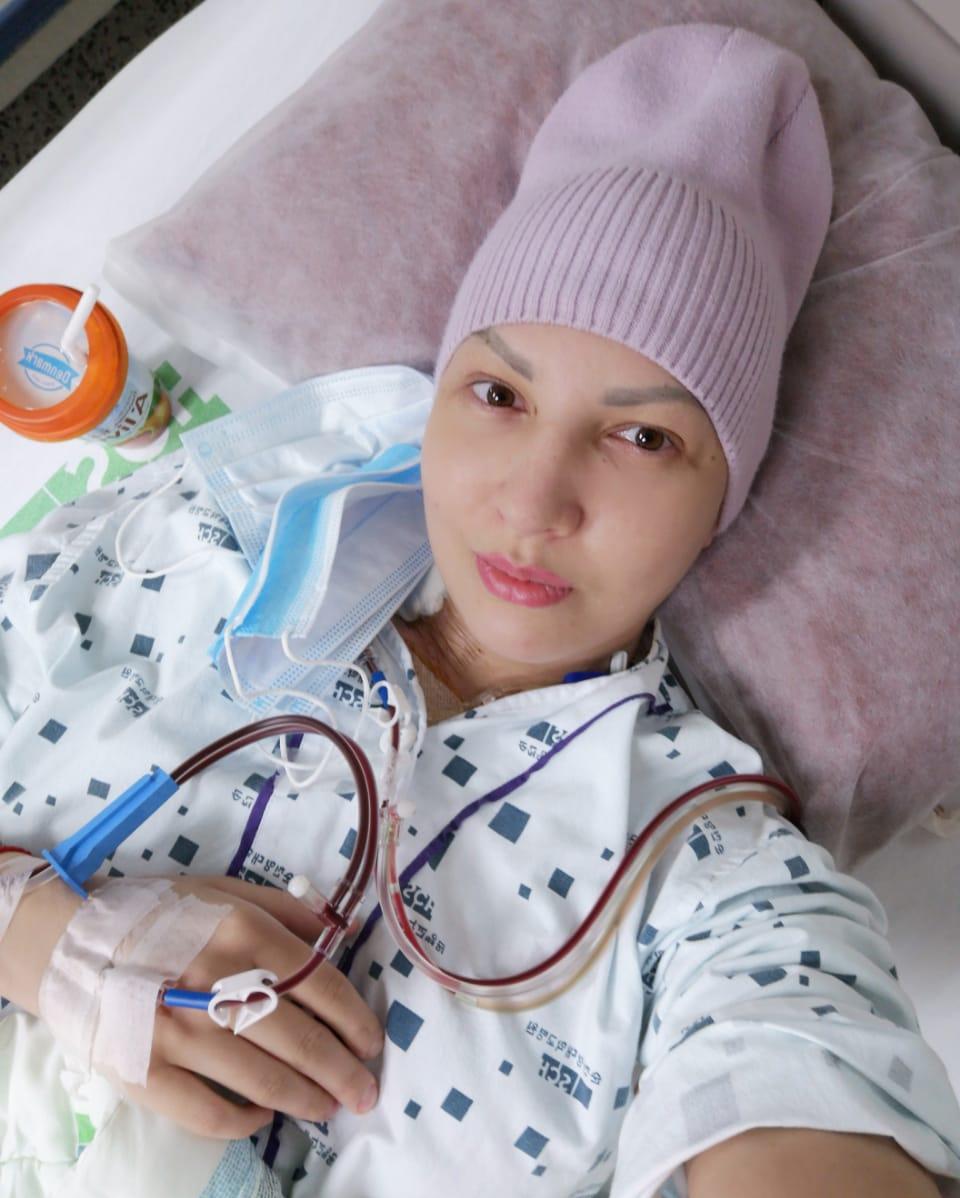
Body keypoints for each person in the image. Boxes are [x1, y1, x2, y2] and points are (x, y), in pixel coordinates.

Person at [1, 22, 960, 1198]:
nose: (532, 501)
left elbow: (802, 1075)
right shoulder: (179, 558)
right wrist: (36, 934)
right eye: (498, 392)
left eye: (644, 436)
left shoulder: (705, 871)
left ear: (724, 494)